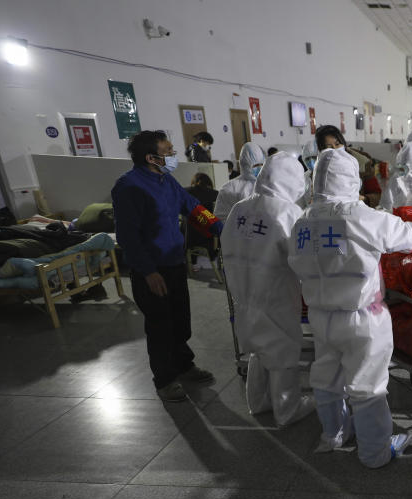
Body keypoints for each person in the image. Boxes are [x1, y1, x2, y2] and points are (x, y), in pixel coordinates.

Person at [288, 147, 412, 468]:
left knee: (326, 378)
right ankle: (375, 452)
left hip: (321, 317)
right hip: (362, 318)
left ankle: (333, 434)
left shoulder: (302, 221)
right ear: (350, 180)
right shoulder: (363, 216)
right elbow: (411, 236)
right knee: (368, 387)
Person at [112, 130, 221, 402]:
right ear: (151, 157)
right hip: (152, 269)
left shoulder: (166, 180)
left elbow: (194, 208)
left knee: (180, 320)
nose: (174, 156)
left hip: (174, 263)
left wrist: (221, 228)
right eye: (169, 152)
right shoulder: (129, 187)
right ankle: (165, 379)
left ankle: (184, 365)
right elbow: (128, 236)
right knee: (160, 325)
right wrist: (148, 271)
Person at [221, 153, 314, 427]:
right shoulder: (288, 212)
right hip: (275, 295)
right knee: (282, 352)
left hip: (244, 294)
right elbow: (302, 259)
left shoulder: (241, 208)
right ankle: (287, 410)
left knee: (258, 351)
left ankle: (258, 403)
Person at [315, 126, 382, 206]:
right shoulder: (320, 166)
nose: (335, 149)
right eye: (329, 147)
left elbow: (376, 194)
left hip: (358, 210)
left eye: (337, 144)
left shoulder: (362, 163)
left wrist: (363, 199)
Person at [213, 142, 266, 221]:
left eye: (261, 165)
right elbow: (221, 218)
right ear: (244, 165)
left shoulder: (268, 183)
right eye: (255, 166)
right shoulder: (230, 187)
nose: (259, 169)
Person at [185, 173, 219, 268]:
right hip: (211, 237)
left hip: (191, 237)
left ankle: (191, 263)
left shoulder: (185, 191)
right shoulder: (215, 193)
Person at [296, 139, 318, 209]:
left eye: (314, 157)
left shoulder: (330, 175)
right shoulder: (302, 178)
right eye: (307, 159)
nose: (311, 162)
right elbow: (299, 203)